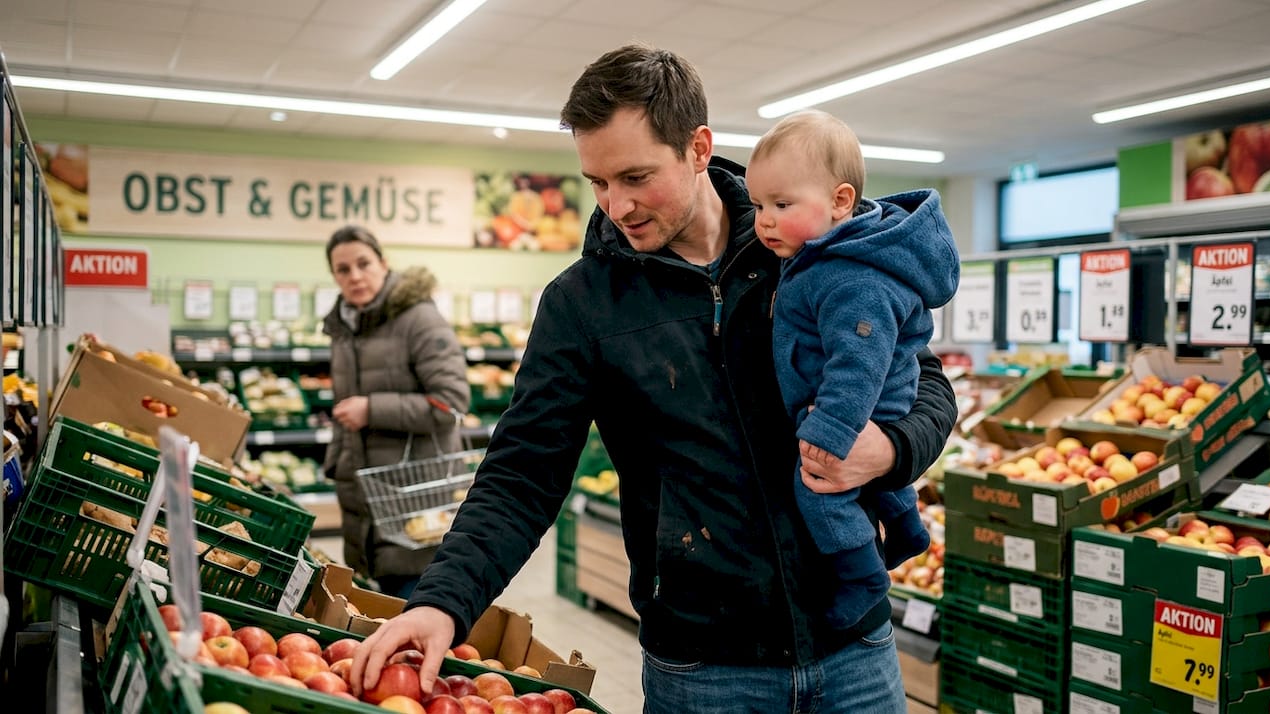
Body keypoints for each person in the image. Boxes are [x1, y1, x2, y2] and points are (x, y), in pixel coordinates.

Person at [351, 44, 957, 713]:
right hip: (704, 669)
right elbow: (524, 469)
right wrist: (442, 602)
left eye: (637, 177)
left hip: (857, 649)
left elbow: (922, 380)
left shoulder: (808, 253)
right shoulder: (582, 305)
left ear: (698, 148)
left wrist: (891, 449)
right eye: (598, 183)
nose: (617, 205)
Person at [746, 109, 959, 632]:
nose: (764, 220)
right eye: (757, 206)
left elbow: (857, 365)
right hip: (869, 397)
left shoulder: (849, 279)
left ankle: (862, 577)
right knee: (864, 472)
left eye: (781, 204)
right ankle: (906, 526)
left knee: (819, 488)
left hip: (866, 399)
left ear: (841, 201)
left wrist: (830, 429)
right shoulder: (820, 257)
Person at [321, 225, 470, 599]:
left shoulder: (419, 319)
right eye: (343, 269)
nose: (355, 276)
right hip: (365, 499)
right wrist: (336, 465)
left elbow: (451, 401)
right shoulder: (344, 329)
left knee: (414, 607)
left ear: (384, 263)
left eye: (363, 263)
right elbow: (345, 410)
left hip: (416, 501)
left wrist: (372, 409)